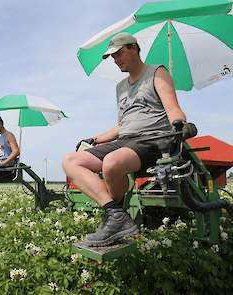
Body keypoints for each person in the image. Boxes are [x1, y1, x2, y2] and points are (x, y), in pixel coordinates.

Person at [62, 32, 186, 247]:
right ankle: (115, 214)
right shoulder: (120, 87)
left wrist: (180, 125)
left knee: (112, 162)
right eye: (112, 57)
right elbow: (122, 125)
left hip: (153, 139)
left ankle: (115, 218)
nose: (116, 60)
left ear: (134, 49)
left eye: (118, 54)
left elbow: (173, 109)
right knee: (71, 161)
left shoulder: (157, 72)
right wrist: (96, 139)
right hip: (125, 141)